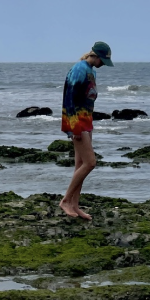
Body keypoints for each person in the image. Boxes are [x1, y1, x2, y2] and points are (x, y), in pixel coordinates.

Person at [59, 41, 113, 220]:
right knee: (90, 163)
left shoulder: (92, 71)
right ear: (95, 56)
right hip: (77, 122)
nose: (103, 65)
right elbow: (70, 98)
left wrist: (90, 123)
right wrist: (73, 126)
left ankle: (75, 205)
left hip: (86, 121)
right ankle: (66, 201)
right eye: (102, 61)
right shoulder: (80, 69)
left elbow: (87, 99)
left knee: (80, 165)